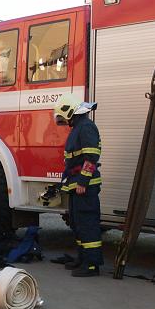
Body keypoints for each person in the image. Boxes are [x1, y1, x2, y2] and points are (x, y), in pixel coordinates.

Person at [53, 93, 103, 277]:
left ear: (69, 111)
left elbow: (91, 156)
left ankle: (91, 265)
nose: (62, 121)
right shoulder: (79, 127)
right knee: (78, 223)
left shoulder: (86, 127)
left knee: (88, 224)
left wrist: (83, 181)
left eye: (62, 116)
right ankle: (82, 259)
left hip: (85, 186)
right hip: (76, 185)